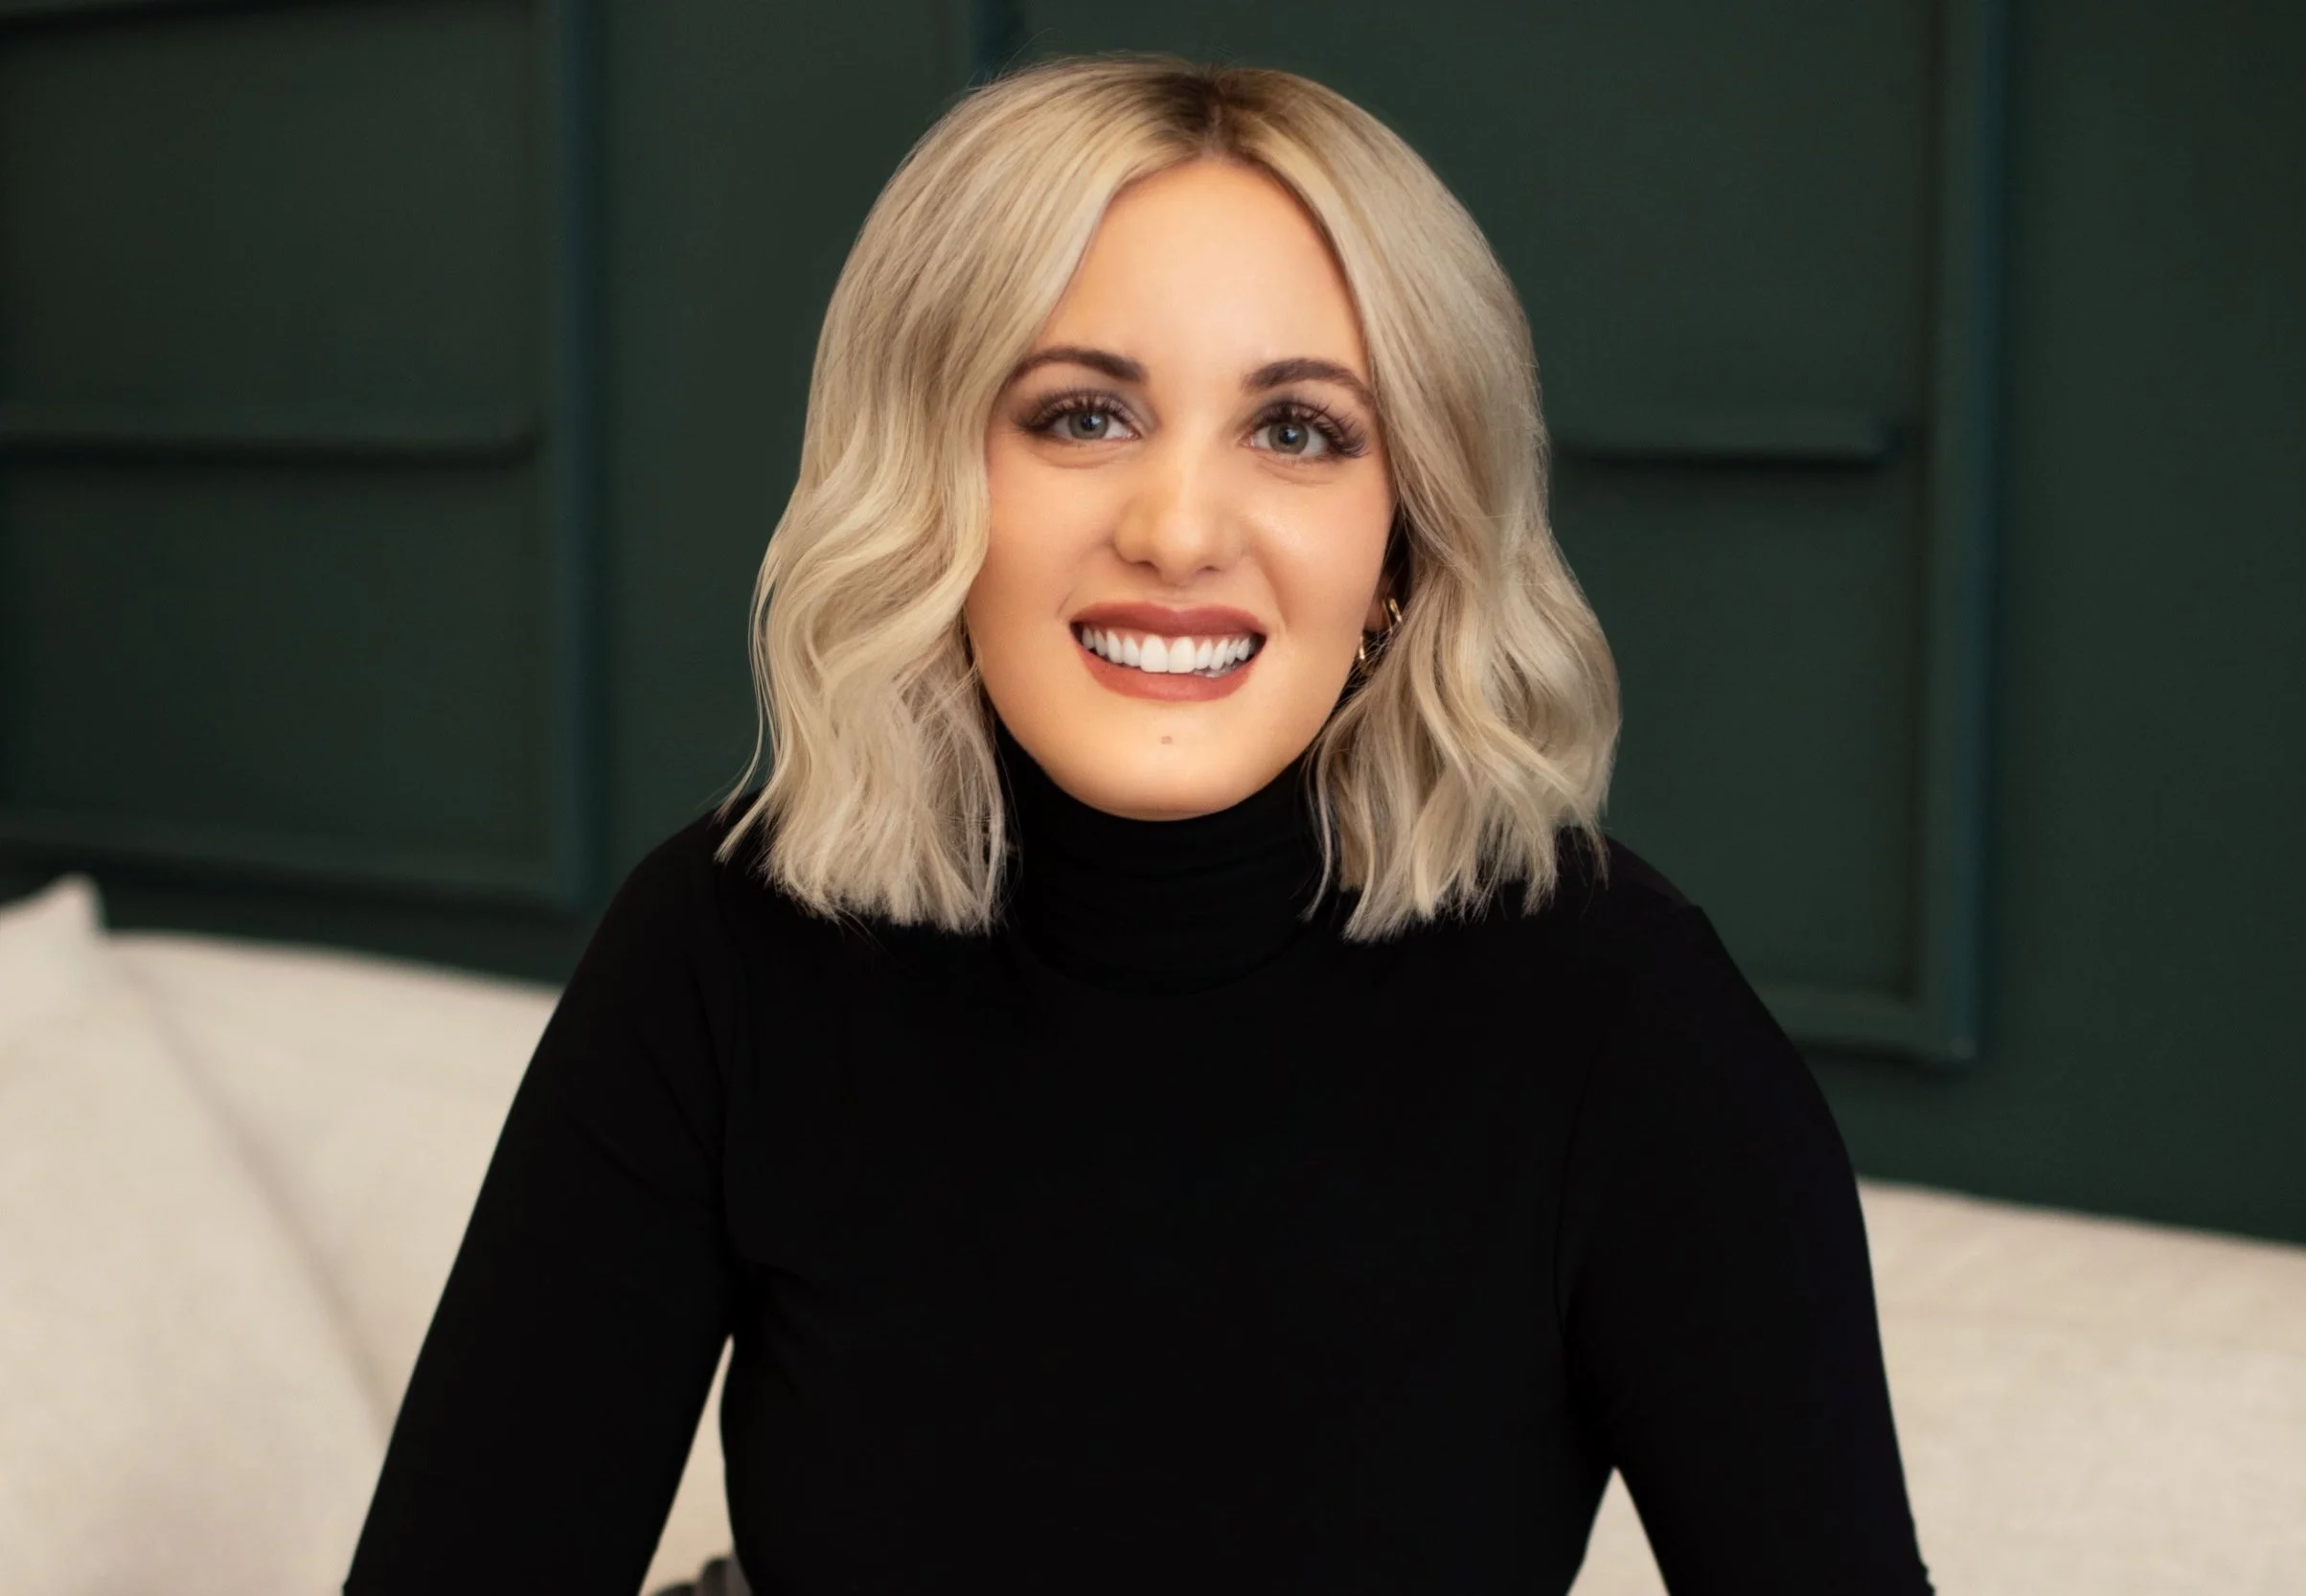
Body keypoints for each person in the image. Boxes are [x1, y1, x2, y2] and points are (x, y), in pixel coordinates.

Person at [344, 52, 1935, 1596]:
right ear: (935, 482)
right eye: (1082, 415)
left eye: (1299, 430)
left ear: (1405, 546)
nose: (1178, 529)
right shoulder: (723, 943)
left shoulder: (1624, 1015)